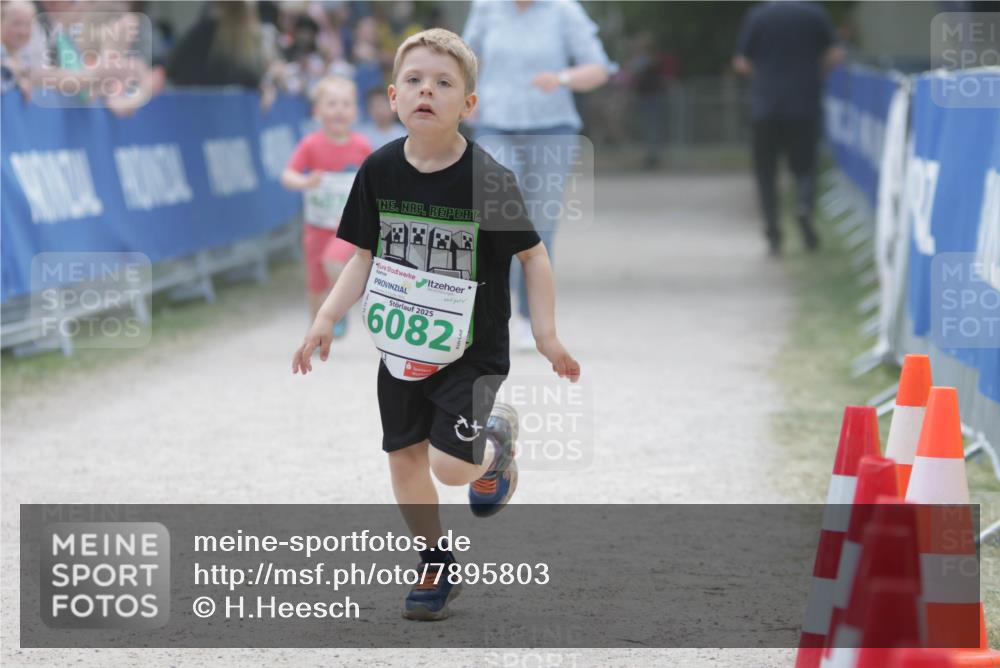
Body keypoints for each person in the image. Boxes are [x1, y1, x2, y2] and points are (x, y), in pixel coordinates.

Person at [290, 28, 580, 621]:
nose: (428, 91)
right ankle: (434, 562)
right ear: (394, 96)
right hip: (401, 342)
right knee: (403, 456)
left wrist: (546, 336)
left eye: (444, 83)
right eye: (416, 81)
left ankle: (493, 446)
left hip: (472, 348)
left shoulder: (487, 178)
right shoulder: (377, 170)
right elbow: (363, 258)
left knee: (450, 468)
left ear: (468, 105)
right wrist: (325, 317)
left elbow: (534, 255)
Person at [462, 0, 611, 350]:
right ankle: (497, 316)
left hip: (553, 130)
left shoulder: (564, 10)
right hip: (495, 126)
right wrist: (466, 97)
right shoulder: (486, 8)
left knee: (539, 228)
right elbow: (464, 59)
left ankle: (533, 320)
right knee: (500, 221)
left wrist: (561, 78)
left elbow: (598, 68)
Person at [733, 0, 844, 255]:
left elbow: (741, 61)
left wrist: (764, 75)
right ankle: (803, 206)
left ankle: (773, 232)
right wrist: (819, 71)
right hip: (804, 103)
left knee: (766, 172)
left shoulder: (758, 16)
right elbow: (836, 53)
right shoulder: (814, 14)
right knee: (805, 167)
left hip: (766, 106)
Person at [282, 76, 372, 337]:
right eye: (332, 104)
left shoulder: (361, 146)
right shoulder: (311, 144)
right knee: (315, 285)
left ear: (355, 112)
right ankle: (316, 332)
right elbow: (288, 176)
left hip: (347, 227)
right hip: (316, 227)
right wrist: (305, 181)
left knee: (333, 261)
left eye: (346, 104)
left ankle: (339, 306)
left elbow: (374, 178)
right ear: (317, 111)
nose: (339, 110)